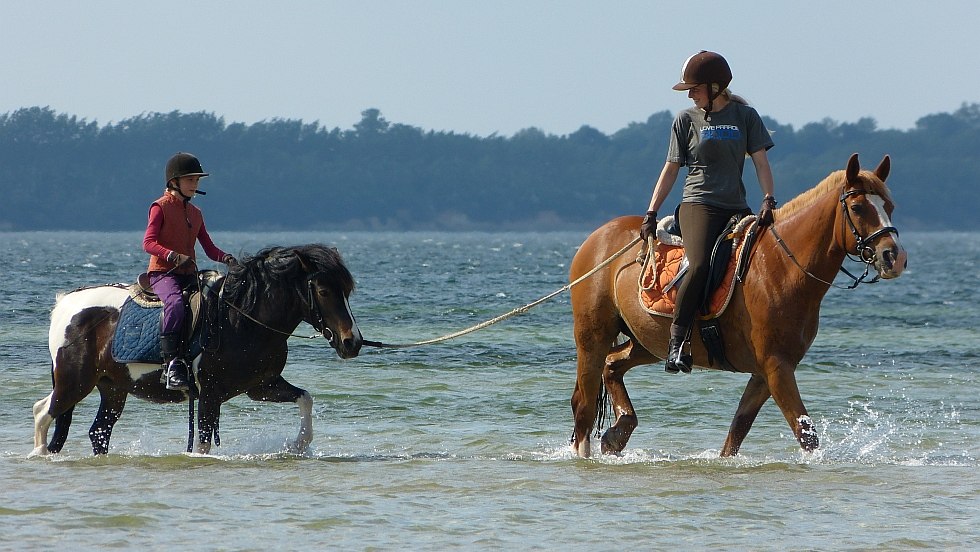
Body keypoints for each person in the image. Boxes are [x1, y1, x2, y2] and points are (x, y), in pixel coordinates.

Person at [639, 51, 777, 374]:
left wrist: (769, 198)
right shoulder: (686, 120)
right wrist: (651, 211)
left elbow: (761, 162)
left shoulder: (746, 117)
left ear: (715, 87)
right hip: (697, 205)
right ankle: (677, 341)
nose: (690, 94)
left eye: (694, 87)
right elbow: (671, 169)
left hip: (736, 208)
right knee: (699, 264)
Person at [143, 152, 236, 391]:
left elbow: (209, 248)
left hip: (189, 274)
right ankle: (171, 363)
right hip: (163, 273)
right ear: (174, 182)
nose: (195, 185)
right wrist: (172, 255)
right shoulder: (159, 207)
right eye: (190, 180)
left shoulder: (196, 213)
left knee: (215, 302)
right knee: (174, 304)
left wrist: (227, 258)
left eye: (197, 180)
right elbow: (148, 243)